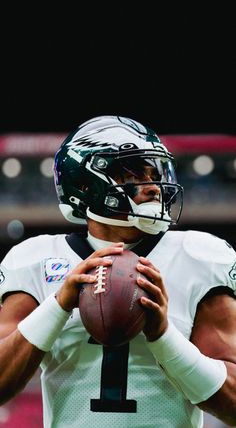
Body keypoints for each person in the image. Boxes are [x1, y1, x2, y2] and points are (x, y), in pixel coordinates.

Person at [0, 115, 236, 428]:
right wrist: (57, 306)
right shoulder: (37, 260)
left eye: (154, 172)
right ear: (86, 184)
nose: (153, 187)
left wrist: (164, 337)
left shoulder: (198, 255)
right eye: (135, 173)